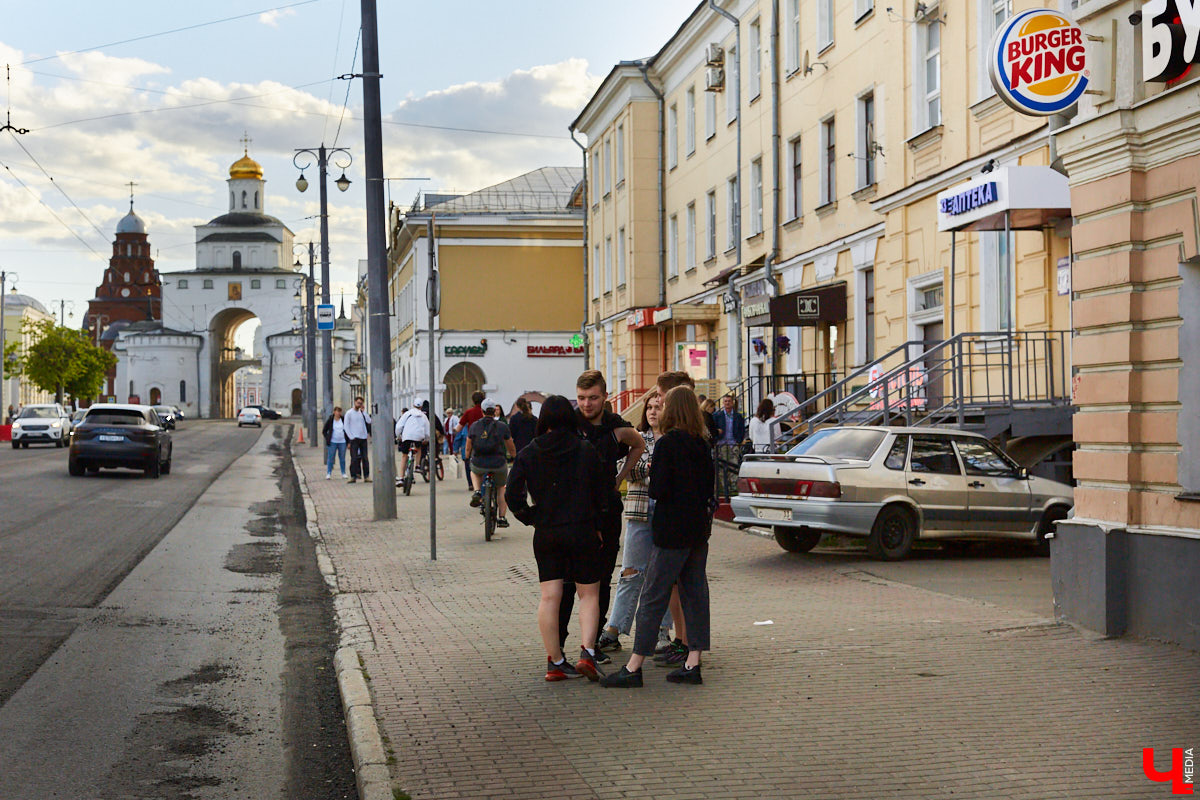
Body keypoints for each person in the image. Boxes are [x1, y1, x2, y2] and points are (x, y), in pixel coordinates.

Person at [602, 385, 714, 688]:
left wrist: (656, 471)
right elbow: (709, 487)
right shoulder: (702, 444)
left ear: (671, 410)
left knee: (653, 596)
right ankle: (693, 663)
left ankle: (634, 666)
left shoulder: (667, 444)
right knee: (695, 595)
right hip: (697, 530)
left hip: (670, 531)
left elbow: (658, 489)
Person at [505, 395, 609, 681]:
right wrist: (599, 525)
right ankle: (587, 652)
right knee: (589, 594)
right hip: (582, 529)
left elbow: (512, 494)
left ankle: (555, 662)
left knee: (550, 596)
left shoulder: (530, 451)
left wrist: (531, 516)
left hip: (548, 531)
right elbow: (602, 492)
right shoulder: (585, 449)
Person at [558, 370, 646, 663]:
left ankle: (593, 643)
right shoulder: (569, 424)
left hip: (606, 511)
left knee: (602, 577)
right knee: (567, 582)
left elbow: (639, 444)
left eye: (593, 398)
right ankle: (558, 647)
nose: (587, 404)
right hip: (572, 513)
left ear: (605, 397)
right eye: (582, 398)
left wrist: (620, 476)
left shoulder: (615, 426)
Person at [596, 390, 673, 654]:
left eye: (658, 407)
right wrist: (650, 469)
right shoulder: (637, 437)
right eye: (649, 407)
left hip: (666, 512)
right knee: (630, 571)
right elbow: (625, 468)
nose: (653, 412)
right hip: (640, 509)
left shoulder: (673, 439)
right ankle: (614, 629)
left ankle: (662, 631)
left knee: (663, 575)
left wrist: (651, 469)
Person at [466, 399, 516, 527]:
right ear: (494, 411)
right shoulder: (502, 426)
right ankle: (502, 517)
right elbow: (510, 445)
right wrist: (514, 457)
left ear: (482, 411)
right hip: (498, 463)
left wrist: (467, 457)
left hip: (479, 462)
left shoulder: (474, 426)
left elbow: (468, 445)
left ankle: (477, 491)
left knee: (474, 471)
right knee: (501, 487)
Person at [394, 399, 430, 487]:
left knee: (404, 456)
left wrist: (398, 436)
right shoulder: (423, 416)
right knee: (418, 448)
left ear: (413, 405)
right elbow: (427, 430)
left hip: (407, 436)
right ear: (421, 406)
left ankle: (401, 478)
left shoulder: (407, 414)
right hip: (418, 436)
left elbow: (399, 426)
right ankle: (417, 466)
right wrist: (426, 439)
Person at [456, 391, 486, 488]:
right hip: (486, 440)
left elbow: (458, 428)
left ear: (473, 400)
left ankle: (471, 483)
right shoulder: (485, 412)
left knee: (468, 459)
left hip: (473, 440)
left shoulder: (469, 412)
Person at [343, 396, 372, 483]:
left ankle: (366, 476)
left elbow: (369, 421)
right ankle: (353, 476)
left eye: (361, 403)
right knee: (354, 458)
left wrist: (364, 412)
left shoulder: (362, 413)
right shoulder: (349, 413)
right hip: (354, 438)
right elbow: (346, 426)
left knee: (365, 458)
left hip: (363, 438)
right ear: (355, 402)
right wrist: (351, 437)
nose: (359, 405)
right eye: (358, 403)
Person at [322, 406, 348, 479]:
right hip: (333, 442)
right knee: (331, 458)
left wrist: (348, 441)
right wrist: (328, 438)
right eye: (337, 411)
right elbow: (324, 430)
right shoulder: (330, 420)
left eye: (339, 412)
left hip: (342, 441)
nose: (338, 413)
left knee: (342, 458)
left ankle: (343, 473)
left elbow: (347, 429)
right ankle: (328, 473)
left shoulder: (343, 420)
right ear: (334, 412)